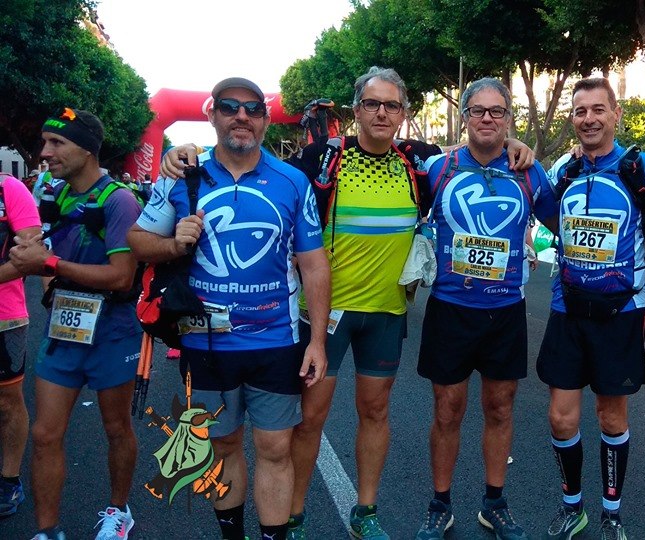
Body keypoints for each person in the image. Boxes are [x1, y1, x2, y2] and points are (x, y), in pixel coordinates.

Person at [160, 67, 535, 540]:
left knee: (375, 413)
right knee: (310, 420)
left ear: (404, 113)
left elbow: (477, 152)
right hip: (326, 314)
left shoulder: (419, 162)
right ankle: (293, 516)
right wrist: (183, 152)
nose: (382, 113)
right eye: (372, 103)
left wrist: (514, 144)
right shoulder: (322, 157)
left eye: (392, 105)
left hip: (386, 313)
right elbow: (258, 166)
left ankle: (366, 512)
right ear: (356, 109)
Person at [127, 77, 332, 540]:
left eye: (253, 109)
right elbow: (137, 241)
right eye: (229, 106)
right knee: (222, 447)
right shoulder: (181, 174)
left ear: (265, 120)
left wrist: (317, 341)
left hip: (276, 340)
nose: (242, 116)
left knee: (276, 447)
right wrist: (173, 243)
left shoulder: (292, 181)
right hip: (205, 341)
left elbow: (314, 264)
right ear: (211, 114)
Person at [414, 77, 559, 540]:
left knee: (500, 408)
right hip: (450, 308)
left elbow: (563, 221)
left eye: (497, 111)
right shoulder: (439, 169)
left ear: (509, 118)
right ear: (464, 116)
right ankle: (440, 505)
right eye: (478, 110)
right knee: (447, 410)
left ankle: (494, 503)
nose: (487, 119)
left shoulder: (528, 172)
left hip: (505, 312)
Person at [9, 108, 143, 540]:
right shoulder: (54, 193)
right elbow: (30, 258)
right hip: (63, 332)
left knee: (116, 428)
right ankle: (47, 531)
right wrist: (39, 265)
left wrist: (49, 264)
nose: (45, 152)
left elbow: (122, 277)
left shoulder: (119, 200)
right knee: (45, 434)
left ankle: (119, 512)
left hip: (112, 332)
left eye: (57, 143)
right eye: (44, 142)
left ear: (86, 150)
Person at [537, 77, 645, 540]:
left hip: (621, 311)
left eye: (597, 109)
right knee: (560, 417)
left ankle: (612, 513)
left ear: (616, 114)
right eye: (580, 111)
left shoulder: (642, 166)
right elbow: (549, 215)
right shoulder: (563, 169)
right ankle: (573, 507)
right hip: (567, 308)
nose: (588, 119)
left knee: (611, 416)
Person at [0, 173, 41, 519]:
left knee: (7, 402)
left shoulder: (8, 189)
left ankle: (9, 480)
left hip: (5, 315)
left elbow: (32, 256)